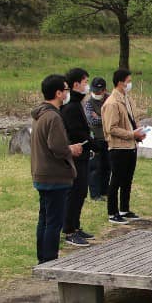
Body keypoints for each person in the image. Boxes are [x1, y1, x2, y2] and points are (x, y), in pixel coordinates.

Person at [30, 74, 82, 263]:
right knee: (53, 222)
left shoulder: (39, 115)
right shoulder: (53, 116)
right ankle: (50, 260)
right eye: (66, 90)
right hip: (54, 177)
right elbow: (58, 147)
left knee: (44, 220)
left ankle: (43, 258)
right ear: (58, 93)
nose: (68, 93)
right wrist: (72, 149)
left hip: (42, 174)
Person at [101, 68, 147, 224]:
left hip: (131, 146)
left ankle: (124, 209)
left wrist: (139, 133)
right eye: (128, 81)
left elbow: (132, 119)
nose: (130, 84)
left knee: (128, 179)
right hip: (118, 147)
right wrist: (131, 134)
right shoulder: (112, 103)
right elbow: (111, 128)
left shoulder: (127, 98)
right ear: (120, 83)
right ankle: (112, 212)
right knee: (116, 180)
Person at [60, 67, 94, 247]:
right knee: (75, 192)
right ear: (76, 85)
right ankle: (69, 230)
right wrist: (92, 143)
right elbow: (76, 133)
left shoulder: (77, 103)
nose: (87, 86)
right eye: (85, 82)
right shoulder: (71, 107)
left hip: (83, 154)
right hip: (76, 155)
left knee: (81, 191)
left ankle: (76, 224)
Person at [84, 77, 110, 202]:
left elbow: (113, 118)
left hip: (108, 138)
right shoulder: (89, 103)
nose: (97, 93)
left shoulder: (110, 100)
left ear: (104, 90)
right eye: (95, 90)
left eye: (99, 91)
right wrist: (103, 118)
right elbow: (92, 120)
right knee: (94, 168)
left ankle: (105, 191)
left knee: (107, 166)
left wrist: (100, 117)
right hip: (95, 139)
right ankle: (95, 194)